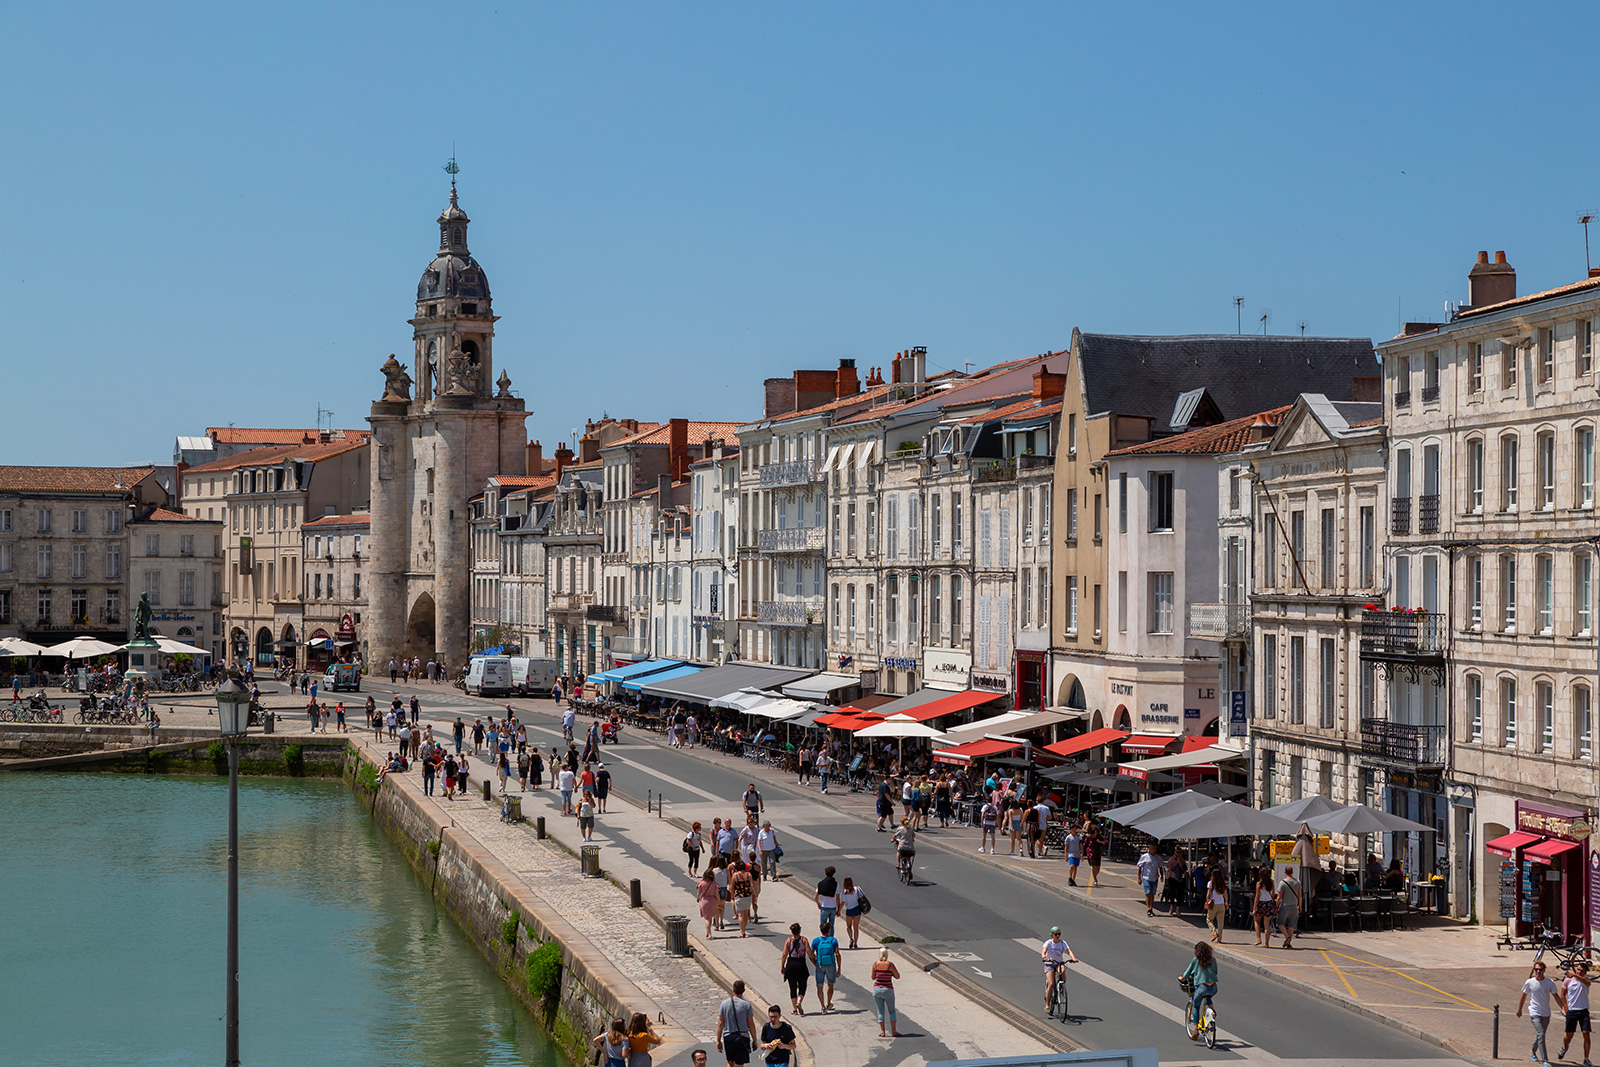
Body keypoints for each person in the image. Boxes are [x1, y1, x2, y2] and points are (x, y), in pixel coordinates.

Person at [1518, 959, 1559, 1066]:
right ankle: (1545, 1060)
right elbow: (1523, 996)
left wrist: (1564, 1008)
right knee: (1541, 1034)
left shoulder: (1549, 982)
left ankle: (1532, 1050)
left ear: (1544, 970)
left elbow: (1556, 996)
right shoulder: (1529, 982)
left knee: (1541, 1034)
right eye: (1536, 969)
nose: (1538, 971)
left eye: (1540, 969)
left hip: (1546, 1013)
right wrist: (1519, 1010)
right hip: (1534, 1012)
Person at [1179, 941, 1219, 1039]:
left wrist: (1182, 978)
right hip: (1213, 987)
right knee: (1207, 996)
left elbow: (1187, 973)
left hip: (1202, 987)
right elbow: (1215, 972)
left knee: (1196, 1006)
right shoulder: (1213, 960)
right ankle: (1212, 1009)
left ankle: (1196, 1029)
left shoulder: (1195, 960)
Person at [715, 979, 759, 1067]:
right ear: (744, 990)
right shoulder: (746, 1005)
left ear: (733, 990)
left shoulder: (724, 1004)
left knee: (730, 1061)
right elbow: (750, 1024)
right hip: (742, 1037)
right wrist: (754, 1040)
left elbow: (720, 1023)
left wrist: (718, 1040)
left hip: (729, 1036)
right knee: (739, 1063)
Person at [1558, 960, 1592, 1065]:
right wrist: (1565, 1007)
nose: (1579, 972)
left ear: (1585, 972)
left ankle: (1586, 1059)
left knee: (1586, 1033)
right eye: (1578, 970)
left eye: (1582, 971)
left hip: (1583, 1010)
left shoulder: (1585, 980)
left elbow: (1588, 983)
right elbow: (1563, 995)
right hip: (1572, 1011)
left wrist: (1574, 975)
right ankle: (1564, 1047)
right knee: (1569, 1035)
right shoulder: (1568, 981)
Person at [1041, 925, 1079, 1012]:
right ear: (1052, 934)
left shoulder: (1062, 943)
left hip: (1059, 963)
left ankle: (1060, 988)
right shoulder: (1048, 943)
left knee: (1062, 972)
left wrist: (1073, 958)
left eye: (1059, 934)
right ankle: (1047, 1005)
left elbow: (1068, 951)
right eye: (1056, 934)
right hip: (1049, 964)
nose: (1058, 936)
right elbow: (1043, 952)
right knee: (1051, 984)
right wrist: (1044, 958)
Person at [870, 948, 903, 1038]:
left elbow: (873, 977)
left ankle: (882, 1031)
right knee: (892, 1011)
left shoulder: (875, 964)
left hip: (877, 989)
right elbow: (898, 976)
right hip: (887, 989)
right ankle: (893, 1031)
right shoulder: (890, 964)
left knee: (880, 1011)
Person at [809, 922, 842, 1012]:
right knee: (830, 985)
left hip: (820, 965)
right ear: (829, 930)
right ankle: (828, 1003)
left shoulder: (816, 941)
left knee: (819, 986)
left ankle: (823, 1007)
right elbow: (837, 954)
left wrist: (815, 963)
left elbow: (810, 954)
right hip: (831, 965)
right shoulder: (833, 940)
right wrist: (839, 968)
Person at [780, 923, 810, 1016]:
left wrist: (782, 966)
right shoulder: (804, 940)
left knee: (792, 987)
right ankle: (799, 1002)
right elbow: (809, 952)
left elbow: (784, 954)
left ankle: (794, 1009)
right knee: (802, 985)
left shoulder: (789, 940)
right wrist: (814, 960)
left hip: (791, 965)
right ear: (800, 930)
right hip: (801, 964)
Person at [1276, 865, 1302, 949]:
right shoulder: (1297, 882)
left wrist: (1276, 905)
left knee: (1280, 923)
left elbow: (1279, 896)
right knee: (1291, 925)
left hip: (1285, 905)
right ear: (1292, 872)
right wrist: (1300, 905)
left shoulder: (1282, 883)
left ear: (1285, 872)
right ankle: (1289, 943)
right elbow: (1300, 895)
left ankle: (1287, 937)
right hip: (1294, 906)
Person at [1253, 868, 1278, 948]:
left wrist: (1254, 908)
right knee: (1267, 924)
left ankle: (1258, 939)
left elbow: (1257, 897)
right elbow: (1273, 894)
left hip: (1261, 903)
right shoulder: (1271, 882)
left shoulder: (1259, 884)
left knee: (1256, 921)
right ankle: (1267, 943)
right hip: (1269, 903)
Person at [839, 876, 865, 949]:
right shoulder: (856, 889)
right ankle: (856, 943)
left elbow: (843, 902)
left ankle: (851, 938)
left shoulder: (844, 892)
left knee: (848, 926)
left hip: (849, 910)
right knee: (856, 927)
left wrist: (838, 910)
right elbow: (862, 896)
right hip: (857, 909)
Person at [730, 859, 754, 937]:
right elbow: (752, 885)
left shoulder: (735, 875)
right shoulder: (748, 874)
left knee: (740, 914)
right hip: (747, 896)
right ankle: (744, 928)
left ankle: (742, 931)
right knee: (746, 914)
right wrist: (754, 894)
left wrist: (732, 895)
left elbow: (732, 886)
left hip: (738, 896)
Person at [1204, 866, 1228, 943]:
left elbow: (1208, 894)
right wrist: (1226, 902)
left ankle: (1214, 933)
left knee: (1209, 919)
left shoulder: (1211, 883)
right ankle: (1219, 939)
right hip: (1221, 904)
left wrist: (1207, 900)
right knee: (1220, 923)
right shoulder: (1223, 883)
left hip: (1213, 904)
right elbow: (1225, 894)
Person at [1137, 843, 1161, 917]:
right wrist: (1139, 878)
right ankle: (1148, 909)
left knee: (1152, 893)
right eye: (1153, 848)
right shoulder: (1144, 857)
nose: (1154, 850)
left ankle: (1151, 907)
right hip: (1146, 877)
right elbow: (1140, 867)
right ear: (1149, 849)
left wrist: (1162, 876)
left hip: (1154, 877)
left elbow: (1160, 866)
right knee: (1148, 893)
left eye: (1155, 849)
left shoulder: (1158, 857)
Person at [1165, 850, 1189, 917]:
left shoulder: (1183, 860)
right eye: (1177, 853)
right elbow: (1168, 866)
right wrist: (1172, 859)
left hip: (1180, 879)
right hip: (1172, 877)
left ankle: (1178, 909)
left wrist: (1179, 861)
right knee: (1172, 893)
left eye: (1179, 853)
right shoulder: (1171, 859)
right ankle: (1171, 907)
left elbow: (1184, 869)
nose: (1178, 854)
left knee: (1180, 894)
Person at [697, 868, 719, 937]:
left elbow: (699, 893)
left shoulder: (701, 883)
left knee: (706, 918)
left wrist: (698, 898)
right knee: (710, 916)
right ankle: (708, 931)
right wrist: (718, 902)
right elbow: (717, 894)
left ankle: (709, 933)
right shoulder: (715, 884)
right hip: (713, 900)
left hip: (705, 900)